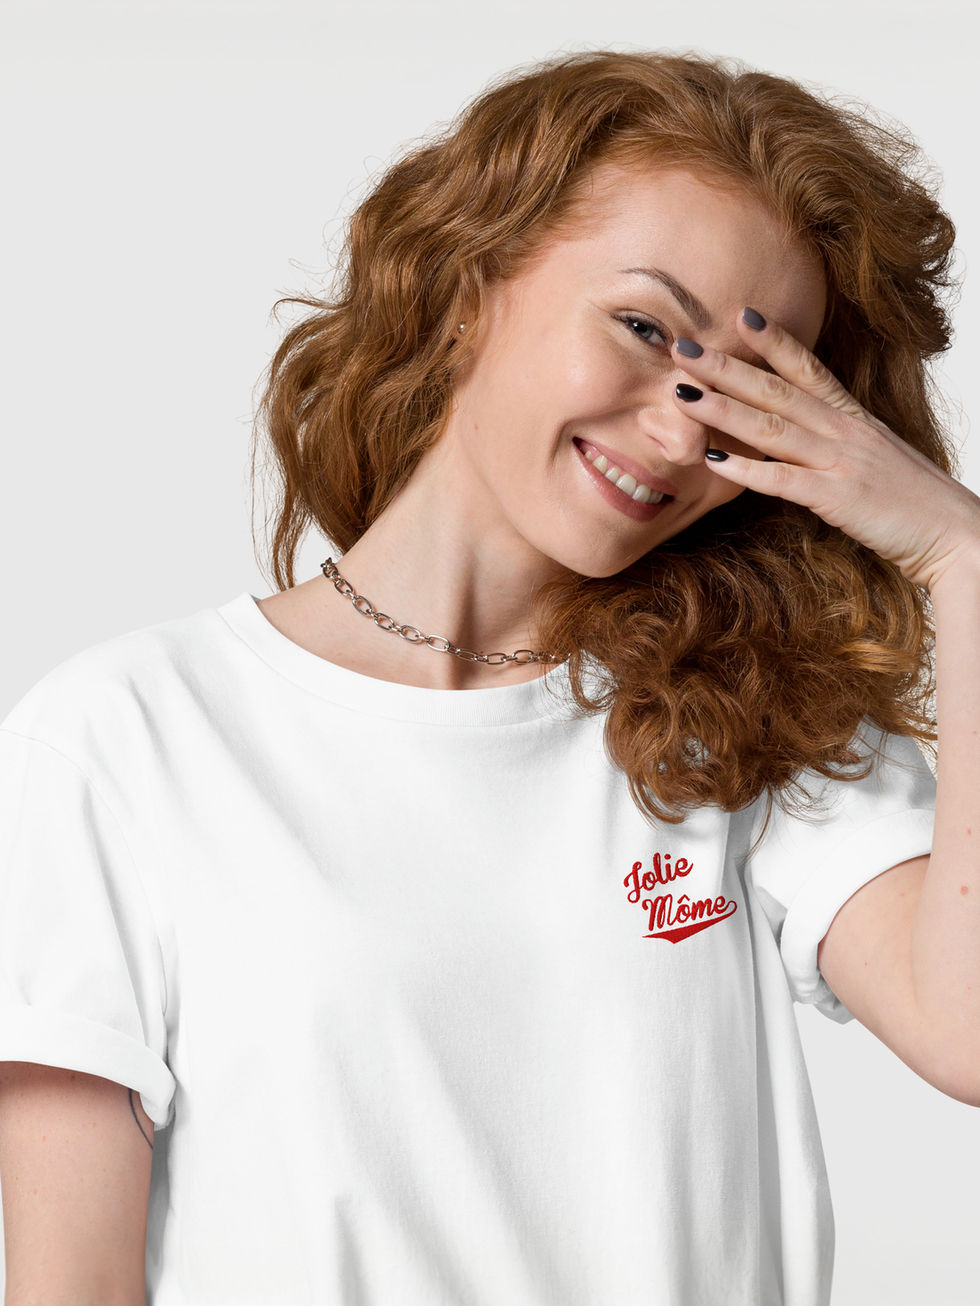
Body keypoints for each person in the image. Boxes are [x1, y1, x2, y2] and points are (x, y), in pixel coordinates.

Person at [0, 46, 977, 1306]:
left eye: (750, 388)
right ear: (471, 278)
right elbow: (68, 1282)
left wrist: (959, 554)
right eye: (643, 326)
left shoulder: (745, 729)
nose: (683, 427)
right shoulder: (125, 740)